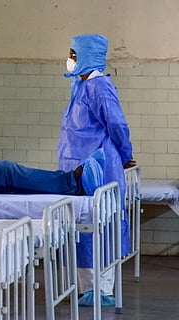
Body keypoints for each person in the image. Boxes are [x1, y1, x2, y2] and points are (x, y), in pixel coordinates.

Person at [60, 33, 136, 306]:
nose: (70, 59)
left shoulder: (100, 87)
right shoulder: (78, 87)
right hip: (76, 170)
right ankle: (85, 288)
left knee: (102, 226)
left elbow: (117, 126)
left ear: (88, 56)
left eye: (74, 54)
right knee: (82, 229)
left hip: (100, 170)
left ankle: (102, 289)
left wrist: (125, 154)